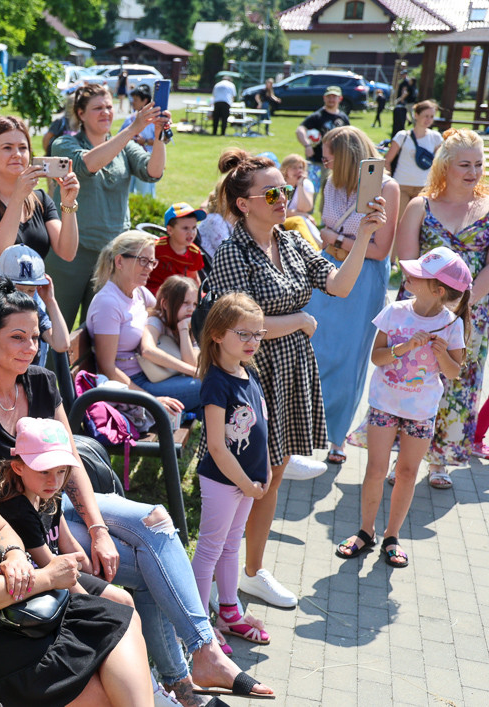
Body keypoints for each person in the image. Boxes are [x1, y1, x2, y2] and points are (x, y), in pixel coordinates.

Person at [0, 279, 275, 704]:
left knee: (156, 520)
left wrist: (98, 527)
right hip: (22, 524)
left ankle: (202, 651)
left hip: (61, 503)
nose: (30, 346)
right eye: (17, 336)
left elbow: (69, 462)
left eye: (35, 336)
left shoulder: (41, 381)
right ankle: (179, 686)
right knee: (146, 571)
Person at [208, 148, 386, 608]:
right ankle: (238, 570)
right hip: (252, 372)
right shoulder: (233, 251)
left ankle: (248, 569)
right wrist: (299, 322)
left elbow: (340, 285)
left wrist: (364, 235)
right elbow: (236, 327)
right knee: (254, 475)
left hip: (289, 366)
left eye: (284, 190)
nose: (282, 197)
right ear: (243, 203)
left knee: (274, 468)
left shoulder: (288, 241)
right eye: (271, 192)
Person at [338, 247, 468, 568]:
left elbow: (454, 371)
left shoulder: (451, 325)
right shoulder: (394, 311)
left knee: (408, 473)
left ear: (438, 290)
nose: (408, 275)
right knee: (376, 470)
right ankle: (365, 531)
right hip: (384, 403)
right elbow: (377, 357)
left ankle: (391, 536)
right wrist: (404, 347)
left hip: (421, 410)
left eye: (418, 275)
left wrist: (441, 356)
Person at [396, 129, 489, 488]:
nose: (473, 171)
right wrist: (434, 306)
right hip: (423, 310)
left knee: (459, 382)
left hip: (473, 313)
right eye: (464, 164)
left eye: (479, 164)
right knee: (415, 380)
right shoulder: (421, 206)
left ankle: (440, 461)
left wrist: (462, 306)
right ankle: (404, 459)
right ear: (445, 166)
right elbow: (406, 262)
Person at [305, 126, 399, 465]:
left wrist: (337, 238)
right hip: (329, 272)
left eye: (330, 156)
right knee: (316, 351)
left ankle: (337, 436)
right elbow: (324, 225)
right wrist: (333, 238)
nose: (324, 162)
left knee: (349, 359)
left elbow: (380, 249)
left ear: (346, 156)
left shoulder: (387, 187)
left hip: (364, 280)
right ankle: (307, 427)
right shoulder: (331, 184)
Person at [49, 84, 169, 325]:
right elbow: (86, 165)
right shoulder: (64, 144)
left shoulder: (126, 147)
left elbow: (153, 171)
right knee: (56, 327)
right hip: (70, 253)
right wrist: (133, 128)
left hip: (111, 255)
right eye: (97, 108)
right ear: (80, 114)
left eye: (108, 107)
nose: (105, 112)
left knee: (100, 330)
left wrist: (159, 135)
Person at [191, 293, 272, 647]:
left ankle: (228, 611)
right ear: (218, 334)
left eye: (258, 334)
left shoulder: (248, 372)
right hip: (224, 481)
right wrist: (245, 483)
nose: (253, 342)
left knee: (230, 547)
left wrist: (264, 472)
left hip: (248, 483)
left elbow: (263, 427)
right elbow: (216, 446)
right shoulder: (216, 382)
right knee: (210, 549)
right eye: (244, 334)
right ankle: (196, 625)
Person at [0, 116, 79, 353]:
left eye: (22, 147)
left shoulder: (42, 200)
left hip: (31, 299)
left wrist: (68, 204)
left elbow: (67, 251)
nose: (17, 154)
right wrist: (17, 196)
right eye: (7, 148)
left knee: (30, 378)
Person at [0, 416, 134, 606]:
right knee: (117, 604)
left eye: (61, 471)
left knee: (124, 599)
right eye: (44, 471)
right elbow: (48, 564)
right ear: (18, 467)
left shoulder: (48, 494)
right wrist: (91, 604)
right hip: (39, 587)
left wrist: (93, 574)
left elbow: (67, 542)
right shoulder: (18, 510)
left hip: (63, 574)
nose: (54, 481)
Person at [84, 231, 188, 415]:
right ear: (119, 262)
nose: (150, 268)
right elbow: (107, 367)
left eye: (152, 262)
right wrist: (151, 401)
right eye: (143, 261)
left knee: (216, 380)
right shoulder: (108, 303)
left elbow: (163, 316)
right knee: (213, 384)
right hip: (132, 386)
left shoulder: (139, 292)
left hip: (150, 375)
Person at [0, 244, 68, 368]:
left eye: (31, 290)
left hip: (28, 384)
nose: (25, 296)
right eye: (17, 289)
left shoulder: (35, 314)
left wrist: (50, 301)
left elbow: (61, 345)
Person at [137, 275, 201, 416]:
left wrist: (183, 329)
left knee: (210, 397)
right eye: (185, 303)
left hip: (173, 381)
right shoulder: (156, 320)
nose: (191, 309)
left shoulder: (189, 326)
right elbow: (147, 350)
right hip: (149, 387)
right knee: (209, 384)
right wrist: (191, 371)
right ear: (165, 304)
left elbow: (191, 363)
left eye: (195, 304)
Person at [384, 100, 443, 223]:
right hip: (402, 185)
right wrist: (389, 181)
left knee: (418, 224)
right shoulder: (402, 136)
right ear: (416, 115)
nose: (428, 119)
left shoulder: (436, 137)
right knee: (397, 223)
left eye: (431, 117)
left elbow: (440, 163)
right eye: (425, 116)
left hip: (424, 187)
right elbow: (387, 160)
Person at [295, 87, 350, 195]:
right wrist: (307, 145)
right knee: (311, 192)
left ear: (340, 98)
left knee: (330, 195)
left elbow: (349, 137)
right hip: (316, 162)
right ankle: (307, 212)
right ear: (324, 98)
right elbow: (300, 130)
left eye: (334, 97)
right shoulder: (317, 116)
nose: (331, 99)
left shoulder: (343, 118)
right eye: (329, 97)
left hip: (335, 164)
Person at [147, 202, 206, 295]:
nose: (191, 232)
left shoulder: (194, 252)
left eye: (194, 228)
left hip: (179, 295)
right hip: (154, 293)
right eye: (185, 228)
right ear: (170, 230)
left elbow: (194, 278)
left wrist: (199, 297)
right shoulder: (156, 248)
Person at [123, 85, 157, 197]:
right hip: (130, 161)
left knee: (145, 192)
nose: (133, 102)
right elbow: (119, 137)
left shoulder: (154, 121)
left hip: (147, 162)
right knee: (127, 192)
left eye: (136, 100)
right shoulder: (130, 119)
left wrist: (145, 141)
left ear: (145, 101)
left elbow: (163, 140)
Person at [281, 154, 314, 218]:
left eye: (300, 167)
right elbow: (273, 211)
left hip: (297, 219)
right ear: (285, 169)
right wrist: (298, 213)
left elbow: (305, 208)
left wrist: (300, 185)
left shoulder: (306, 184)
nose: (298, 171)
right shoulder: (278, 184)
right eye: (294, 168)